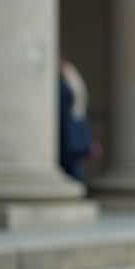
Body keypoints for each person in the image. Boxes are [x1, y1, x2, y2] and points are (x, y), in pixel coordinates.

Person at [58, 55, 93, 183]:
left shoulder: (67, 83)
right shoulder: (69, 82)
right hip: (70, 137)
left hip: (70, 136)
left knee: (74, 172)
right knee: (74, 172)